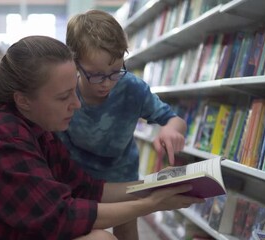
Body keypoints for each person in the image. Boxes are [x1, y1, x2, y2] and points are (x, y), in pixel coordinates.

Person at [0, 35, 203, 240]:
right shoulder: (1, 137)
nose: (77, 104)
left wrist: (153, 185)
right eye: (63, 97)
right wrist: (151, 204)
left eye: (74, 91)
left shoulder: (37, 129)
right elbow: (59, 216)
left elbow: (85, 188)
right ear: (23, 100)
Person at [57, 9, 188, 239]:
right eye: (96, 75)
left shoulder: (132, 88)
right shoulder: (66, 91)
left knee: (127, 226)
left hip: (121, 172)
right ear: (75, 62)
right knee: (82, 228)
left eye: (115, 72)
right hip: (75, 175)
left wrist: (171, 129)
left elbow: (174, 120)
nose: (107, 83)